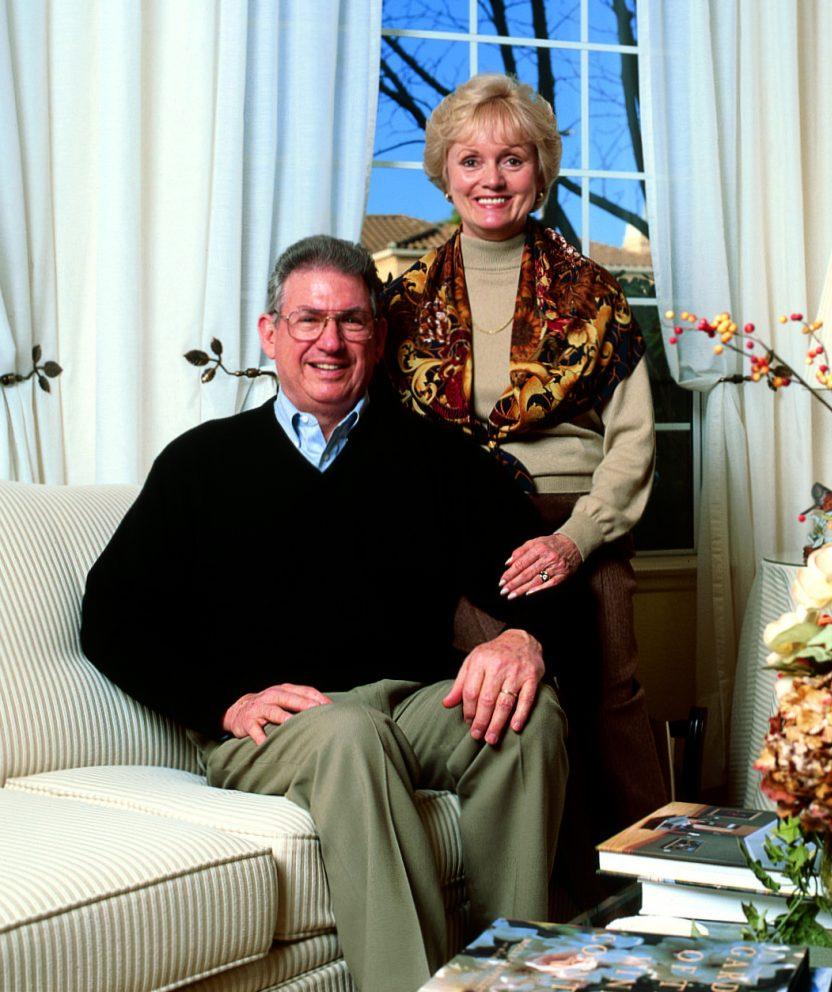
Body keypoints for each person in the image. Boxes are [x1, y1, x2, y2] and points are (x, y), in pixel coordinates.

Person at [80, 236, 571, 992]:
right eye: (308, 320)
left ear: (376, 337)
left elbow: (537, 573)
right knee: (349, 731)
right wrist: (224, 701)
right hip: (282, 729)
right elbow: (110, 616)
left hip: (410, 705)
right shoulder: (201, 464)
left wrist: (522, 639)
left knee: (524, 718)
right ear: (269, 333)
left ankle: (514, 980)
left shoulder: (435, 460)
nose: (329, 342)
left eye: (350, 321)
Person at [385, 74, 668, 858]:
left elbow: (635, 441)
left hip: (571, 518)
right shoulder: (402, 301)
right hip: (459, 525)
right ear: (445, 173)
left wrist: (578, 540)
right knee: (518, 691)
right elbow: (389, 440)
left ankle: (655, 885)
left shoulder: (594, 292)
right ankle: (553, 886)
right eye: (471, 160)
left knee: (611, 693)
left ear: (540, 174)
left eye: (512, 159)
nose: (491, 178)